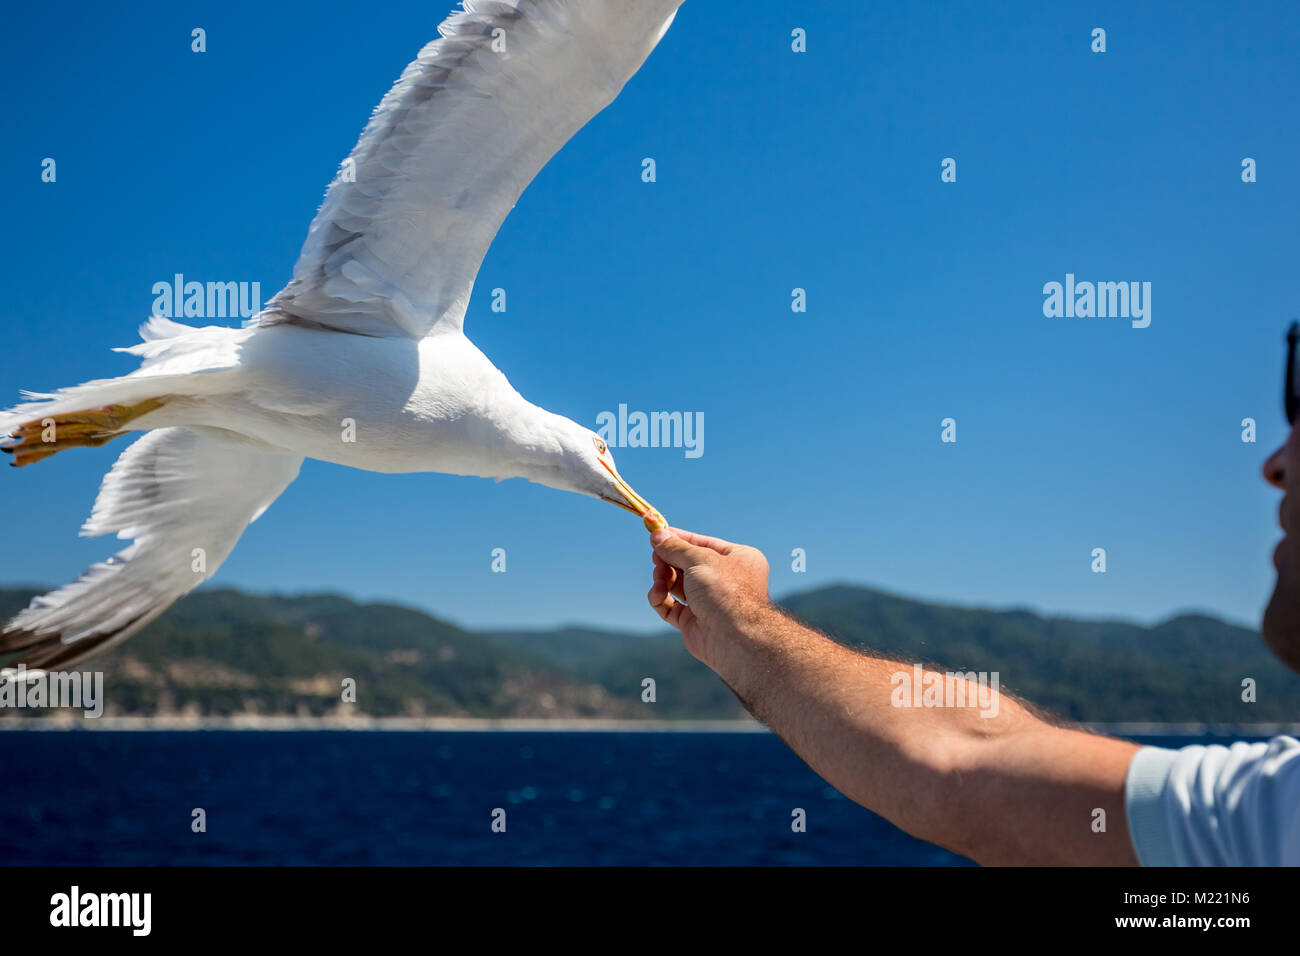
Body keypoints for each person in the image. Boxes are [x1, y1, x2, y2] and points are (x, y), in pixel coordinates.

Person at [646, 325, 1300, 866]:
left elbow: (965, 773)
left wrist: (748, 632)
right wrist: (742, 628)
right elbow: (968, 762)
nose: (1273, 462)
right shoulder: (1269, 819)